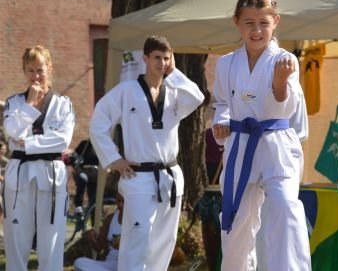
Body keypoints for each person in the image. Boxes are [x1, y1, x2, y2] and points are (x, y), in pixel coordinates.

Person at [212, 0, 311, 271]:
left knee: (283, 207)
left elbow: (285, 109)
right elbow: (221, 103)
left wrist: (280, 82)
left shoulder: (285, 60)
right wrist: (221, 122)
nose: (257, 31)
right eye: (249, 23)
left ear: (276, 22)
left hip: (276, 144)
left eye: (264, 23)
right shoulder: (226, 64)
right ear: (236, 22)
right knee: (236, 223)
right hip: (241, 145)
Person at [89, 35, 204, 271]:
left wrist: (174, 73)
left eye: (166, 58)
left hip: (169, 175)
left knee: (165, 238)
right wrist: (114, 159)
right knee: (137, 235)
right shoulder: (127, 91)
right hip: (138, 176)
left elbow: (197, 98)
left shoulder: (174, 93)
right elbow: (98, 121)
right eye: (157, 58)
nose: (161, 63)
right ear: (145, 58)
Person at [2, 45, 75, 271]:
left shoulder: (63, 104)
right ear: (24, 71)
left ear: (49, 69)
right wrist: (30, 104)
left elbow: (62, 140)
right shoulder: (15, 103)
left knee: (51, 240)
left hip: (51, 175)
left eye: (40, 70)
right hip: (20, 176)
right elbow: (13, 132)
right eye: (30, 70)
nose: (35, 76)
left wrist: (30, 143)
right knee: (16, 240)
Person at [74, 192, 124, 271]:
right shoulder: (110, 218)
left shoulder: (137, 221)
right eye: (118, 201)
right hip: (110, 264)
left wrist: (123, 245)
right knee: (79, 262)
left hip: (128, 264)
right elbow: (98, 248)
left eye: (124, 201)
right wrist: (92, 237)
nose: (120, 205)